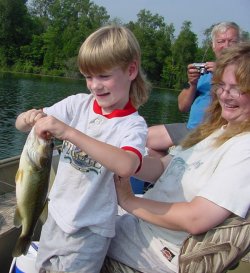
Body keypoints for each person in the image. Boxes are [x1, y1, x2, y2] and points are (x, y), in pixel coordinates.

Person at [102, 42, 250, 273]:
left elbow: (197, 218)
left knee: (73, 241)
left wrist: (129, 201)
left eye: (237, 88)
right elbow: (164, 167)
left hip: (160, 251)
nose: (225, 95)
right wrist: (128, 161)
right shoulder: (216, 130)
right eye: (222, 85)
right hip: (141, 227)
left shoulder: (245, 148)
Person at [15, 25, 151, 273]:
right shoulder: (77, 104)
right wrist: (28, 118)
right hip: (55, 218)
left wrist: (68, 132)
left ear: (131, 70)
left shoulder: (133, 125)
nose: (95, 86)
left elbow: (127, 165)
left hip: (90, 233)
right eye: (88, 77)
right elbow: (22, 125)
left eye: (103, 76)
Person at [146, 21, 241, 157]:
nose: (226, 46)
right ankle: (167, 172)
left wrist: (222, 72)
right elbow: (182, 107)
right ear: (213, 46)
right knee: (145, 138)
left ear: (240, 45)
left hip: (217, 133)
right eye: (221, 41)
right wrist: (192, 84)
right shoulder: (204, 71)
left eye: (232, 41)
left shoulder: (244, 73)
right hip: (191, 128)